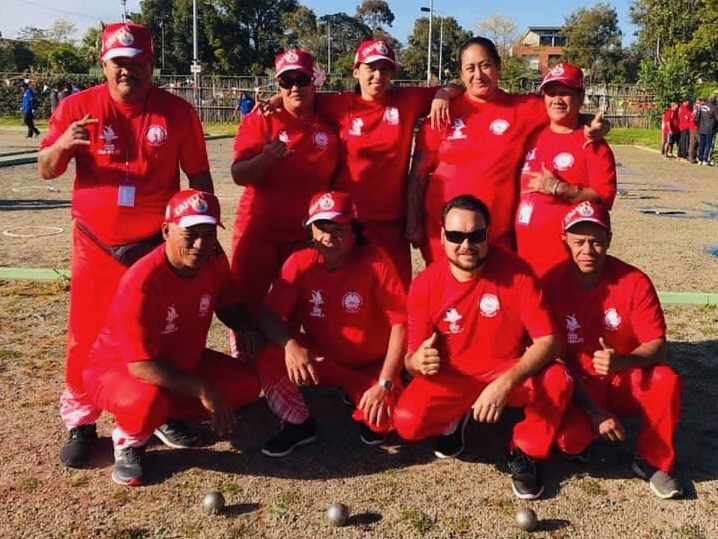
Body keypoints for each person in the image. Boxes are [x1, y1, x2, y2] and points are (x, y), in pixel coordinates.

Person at [38, 22, 214, 469]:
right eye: (119, 62)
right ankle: (81, 420)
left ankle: (159, 413)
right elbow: (46, 168)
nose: (127, 71)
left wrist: (206, 229)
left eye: (137, 63)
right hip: (95, 243)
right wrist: (63, 144)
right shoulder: (77, 107)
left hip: (153, 247)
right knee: (86, 336)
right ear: (104, 64)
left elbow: (198, 175)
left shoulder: (177, 112)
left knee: (160, 332)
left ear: (151, 65)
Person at [394, 194, 572, 500]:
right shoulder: (425, 283)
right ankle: (456, 416)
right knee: (407, 423)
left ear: (488, 235)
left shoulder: (518, 273)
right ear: (442, 236)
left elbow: (549, 342)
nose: (466, 244)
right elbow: (411, 358)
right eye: (456, 236)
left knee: (558, 380)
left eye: (476, 236)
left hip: (505, 371)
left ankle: (525, 450)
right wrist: (417, 362)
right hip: (454, 377)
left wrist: (504, 383)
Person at [81, 190, 262, 486]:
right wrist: (204, 390)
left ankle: (165, 415)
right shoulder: (143, 282)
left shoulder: (214, 259)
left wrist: (246, 329)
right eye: (190, 234)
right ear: (166, 231)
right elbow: (141, 365)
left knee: (247, 385)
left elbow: (228, 303)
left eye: (209, 234)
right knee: (147, 401)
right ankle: (129, 441)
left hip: (182, 363)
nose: (201, 244)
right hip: (120, 369)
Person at [407, 37, 608, 265]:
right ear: (461, 74)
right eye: (470, 68)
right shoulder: (442, 113)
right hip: (446, 236)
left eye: (485, 65)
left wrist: (598, 124)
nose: (478, 75)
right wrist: (413, 223)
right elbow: (418, 174)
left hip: (496, 236)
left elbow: (563, 109)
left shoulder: (522, 109)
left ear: (498, 66)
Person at [543, 201, 683, 499]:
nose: (588, 250)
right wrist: (595, 412)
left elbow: (658, 347)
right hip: (580, 385)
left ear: (609, 240)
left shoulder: (634, 281)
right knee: (570, 440)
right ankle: (586, 438)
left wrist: (623, 361)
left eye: (596, 241)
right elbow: (550, 357)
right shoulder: (551, 283)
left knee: (664, 380)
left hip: (624, 379)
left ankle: (653, 461)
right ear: (564, 240)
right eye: (579, 241)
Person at [255, 191, 407, 456]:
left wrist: (385, 382)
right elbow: (268, 315)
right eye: (321, 228)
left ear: (354, 231)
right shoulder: (300, 262)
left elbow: (401, 323)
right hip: (324, 361)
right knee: (266, 349)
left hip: (371, 366)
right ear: (310, 230)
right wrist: (290, 345)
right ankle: (297, 423)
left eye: (338, 229)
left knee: (384, 424)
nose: (328, 237)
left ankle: (367, 392)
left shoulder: (375, 260)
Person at [311, 39, 457, 284]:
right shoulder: (339, 104)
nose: (378, 75)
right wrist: (274, 101)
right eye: (371, 68)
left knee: (396, 294)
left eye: (385, 68)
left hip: (391, 222)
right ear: (356, 71)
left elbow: (459, 88)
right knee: (349, 291)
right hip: (347, 221)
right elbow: (302, 101)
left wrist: (443, 94)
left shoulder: (407, 100)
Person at [229, 49, 340, 349]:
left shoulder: (329, 125)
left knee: (290, 312)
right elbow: (239, 174)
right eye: (286, 81)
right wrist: (266, 158)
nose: (294, 87)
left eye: (301, 79)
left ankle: (281, 371)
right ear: (278, 84)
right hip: (258, 232)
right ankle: (244, 368)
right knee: (245, 310)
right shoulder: (261, 120)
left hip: (301, 238)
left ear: (314, 80)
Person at [514, 63, 616, 277]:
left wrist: (560, 188)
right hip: (524, 255)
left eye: (565, 93)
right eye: (551, 93)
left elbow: (604, 197)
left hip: (562, 259)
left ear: (580, 97)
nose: (557, 100)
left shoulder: (592, 143)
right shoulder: (533, 135)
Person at [696, 96, 717, 166]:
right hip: (709, 129)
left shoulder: (702, 107)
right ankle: (705, 160)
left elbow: (698, 117)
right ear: (714, 101)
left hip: (701, 128)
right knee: (708, 145)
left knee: (701, 144)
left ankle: (700, 159)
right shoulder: (714, 108)